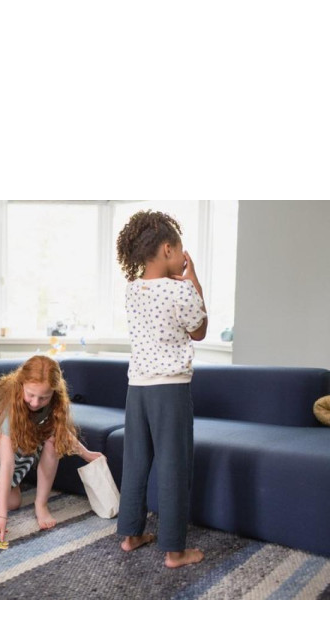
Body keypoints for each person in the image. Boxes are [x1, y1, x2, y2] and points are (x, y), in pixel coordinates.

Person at [116, 210, 208, 568]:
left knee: (135, 462)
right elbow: (199, 330)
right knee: (174, 465)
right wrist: (193, 279)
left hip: (137, 388)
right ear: (168, 249)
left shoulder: (133, 290)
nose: (183, 256)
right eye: (180, 249)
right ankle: (174, 550)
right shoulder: (181, 289)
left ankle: (131, 534)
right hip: (169, 390)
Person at [0, 355, 102, 545]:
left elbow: (59, 432)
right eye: (30, 395)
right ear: (21, 384)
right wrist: (1, 516)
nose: (36, 403)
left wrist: (87, 454)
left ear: (54, 392)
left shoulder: (54, 400)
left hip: (30, 429)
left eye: (43, 397)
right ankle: (16, 481)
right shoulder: (9, 405)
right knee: (12, 503)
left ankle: (41, 504)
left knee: (54, 440)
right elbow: (7, 463)